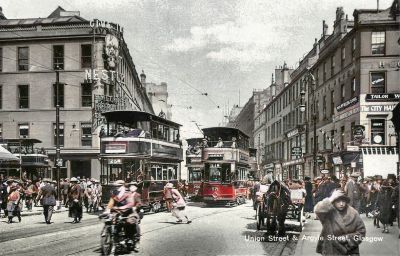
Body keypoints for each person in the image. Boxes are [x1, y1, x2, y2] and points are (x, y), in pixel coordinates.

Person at [314, 189, 366, 255]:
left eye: (343, 201)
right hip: (331, 249)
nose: (341, 204)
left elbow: (361, 231)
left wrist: (346, 238)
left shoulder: (353, 213)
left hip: (349, 250)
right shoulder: (327, 212)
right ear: (333, 201)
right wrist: (331, 198)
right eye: (338, 201)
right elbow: (317, 210)